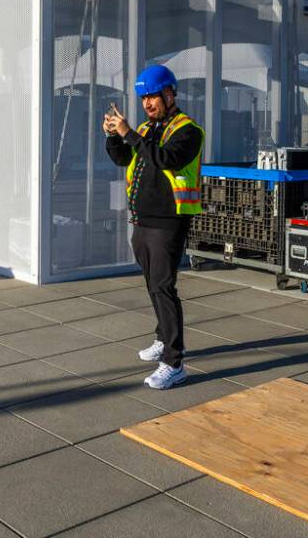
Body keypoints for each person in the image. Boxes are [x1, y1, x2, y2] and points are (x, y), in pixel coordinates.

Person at [104, 64, 204, 390]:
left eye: (153, 96)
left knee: (163, 287)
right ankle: (164, 337)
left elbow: (166, 160)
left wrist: (129, 134)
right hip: (142, 219)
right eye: (144, 98)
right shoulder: (147, 131)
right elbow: (123, 158)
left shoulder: (188, 130)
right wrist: (112, 136)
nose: (148, 103)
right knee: (153, 284)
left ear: (170, 94)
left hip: (168, 221)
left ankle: (174, 363)